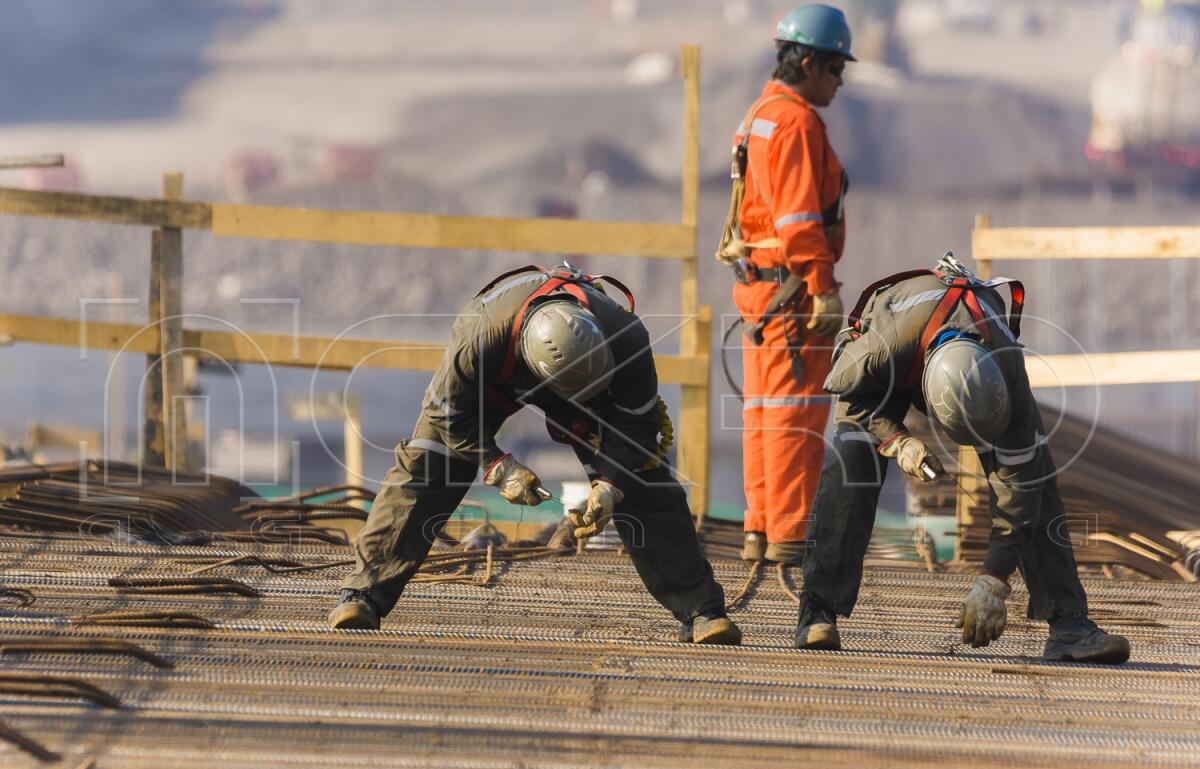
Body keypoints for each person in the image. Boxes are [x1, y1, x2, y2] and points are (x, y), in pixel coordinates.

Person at [328, 264, 741, 645]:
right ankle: (363, 594)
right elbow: (446, 414)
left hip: (590, 390)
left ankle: (702, 611)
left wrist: (610, 485)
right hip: (497, 377)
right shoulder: (478, 337)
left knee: (643, 476)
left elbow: (638, 429)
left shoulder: (628, 339)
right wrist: (496, 466)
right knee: (428, 460)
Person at [794, 253, 1131, 664]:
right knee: (852, 462)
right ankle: (817, 610)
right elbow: (849, 396)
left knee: (1034, 478)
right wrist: (898, 440)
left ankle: (1069, 624)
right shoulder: (879, 352)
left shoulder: (1007, 370)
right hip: (888, 370)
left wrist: (993, 581)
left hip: (962, 351)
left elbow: (1017, 490)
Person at [716, 4, 852, 565]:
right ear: (809, 62)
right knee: (795, 413)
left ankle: (761, 527)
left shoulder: (759, 114)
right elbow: (798, 219)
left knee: (765, 412)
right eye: (836, 67)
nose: (841, 80)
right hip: (791, 294)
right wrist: (822, 287)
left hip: (761, 291)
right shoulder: (796, 122)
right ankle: (789, 537)